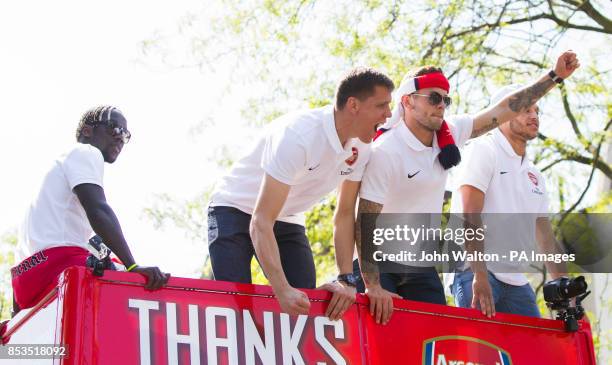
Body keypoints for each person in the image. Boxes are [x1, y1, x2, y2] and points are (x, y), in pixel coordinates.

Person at [354, 51, 580, 324]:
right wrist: (372, 285)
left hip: (421, 266)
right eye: (433, 98)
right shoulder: (386, 151)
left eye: (445, 99)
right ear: (408, 101)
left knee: (431, 343)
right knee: (383, 346)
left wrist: (554, 76)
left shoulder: (450, 132)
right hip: (378, 263)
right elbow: (364, 220)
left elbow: (503, 110)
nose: (441, 105)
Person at [208, 67, 394, 318]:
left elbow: (345, 213)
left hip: (287, 216)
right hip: (234, 207)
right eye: (382, 106)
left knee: (302, 302)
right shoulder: (299, 136)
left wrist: (346, 279)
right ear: (354, 105)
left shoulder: (363, 147)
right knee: (237, 304)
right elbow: (261, 221)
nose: (388, 114)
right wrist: (282, 289)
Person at [11, 106, 168, 314]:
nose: (121, 138)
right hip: (58, 263)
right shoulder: (85, 152)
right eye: (115, 128)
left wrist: (16, 316)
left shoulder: (53, 172)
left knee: (102, 251)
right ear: (87, 131)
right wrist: (132, 266)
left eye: (126, 134)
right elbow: (98, 210)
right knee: (144, 285)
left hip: (24, 281)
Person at [449, 84, 569, 318]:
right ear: (502, 115)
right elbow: (469, 214)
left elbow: (545, 235)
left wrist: (567, 290)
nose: (534, 115)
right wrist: (479, 275)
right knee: (482, 354)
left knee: (533, 353)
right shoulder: (483, 149)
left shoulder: (535, 175)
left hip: (516, 283)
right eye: (526, 110)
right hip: (474, 273)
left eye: (536, 110)